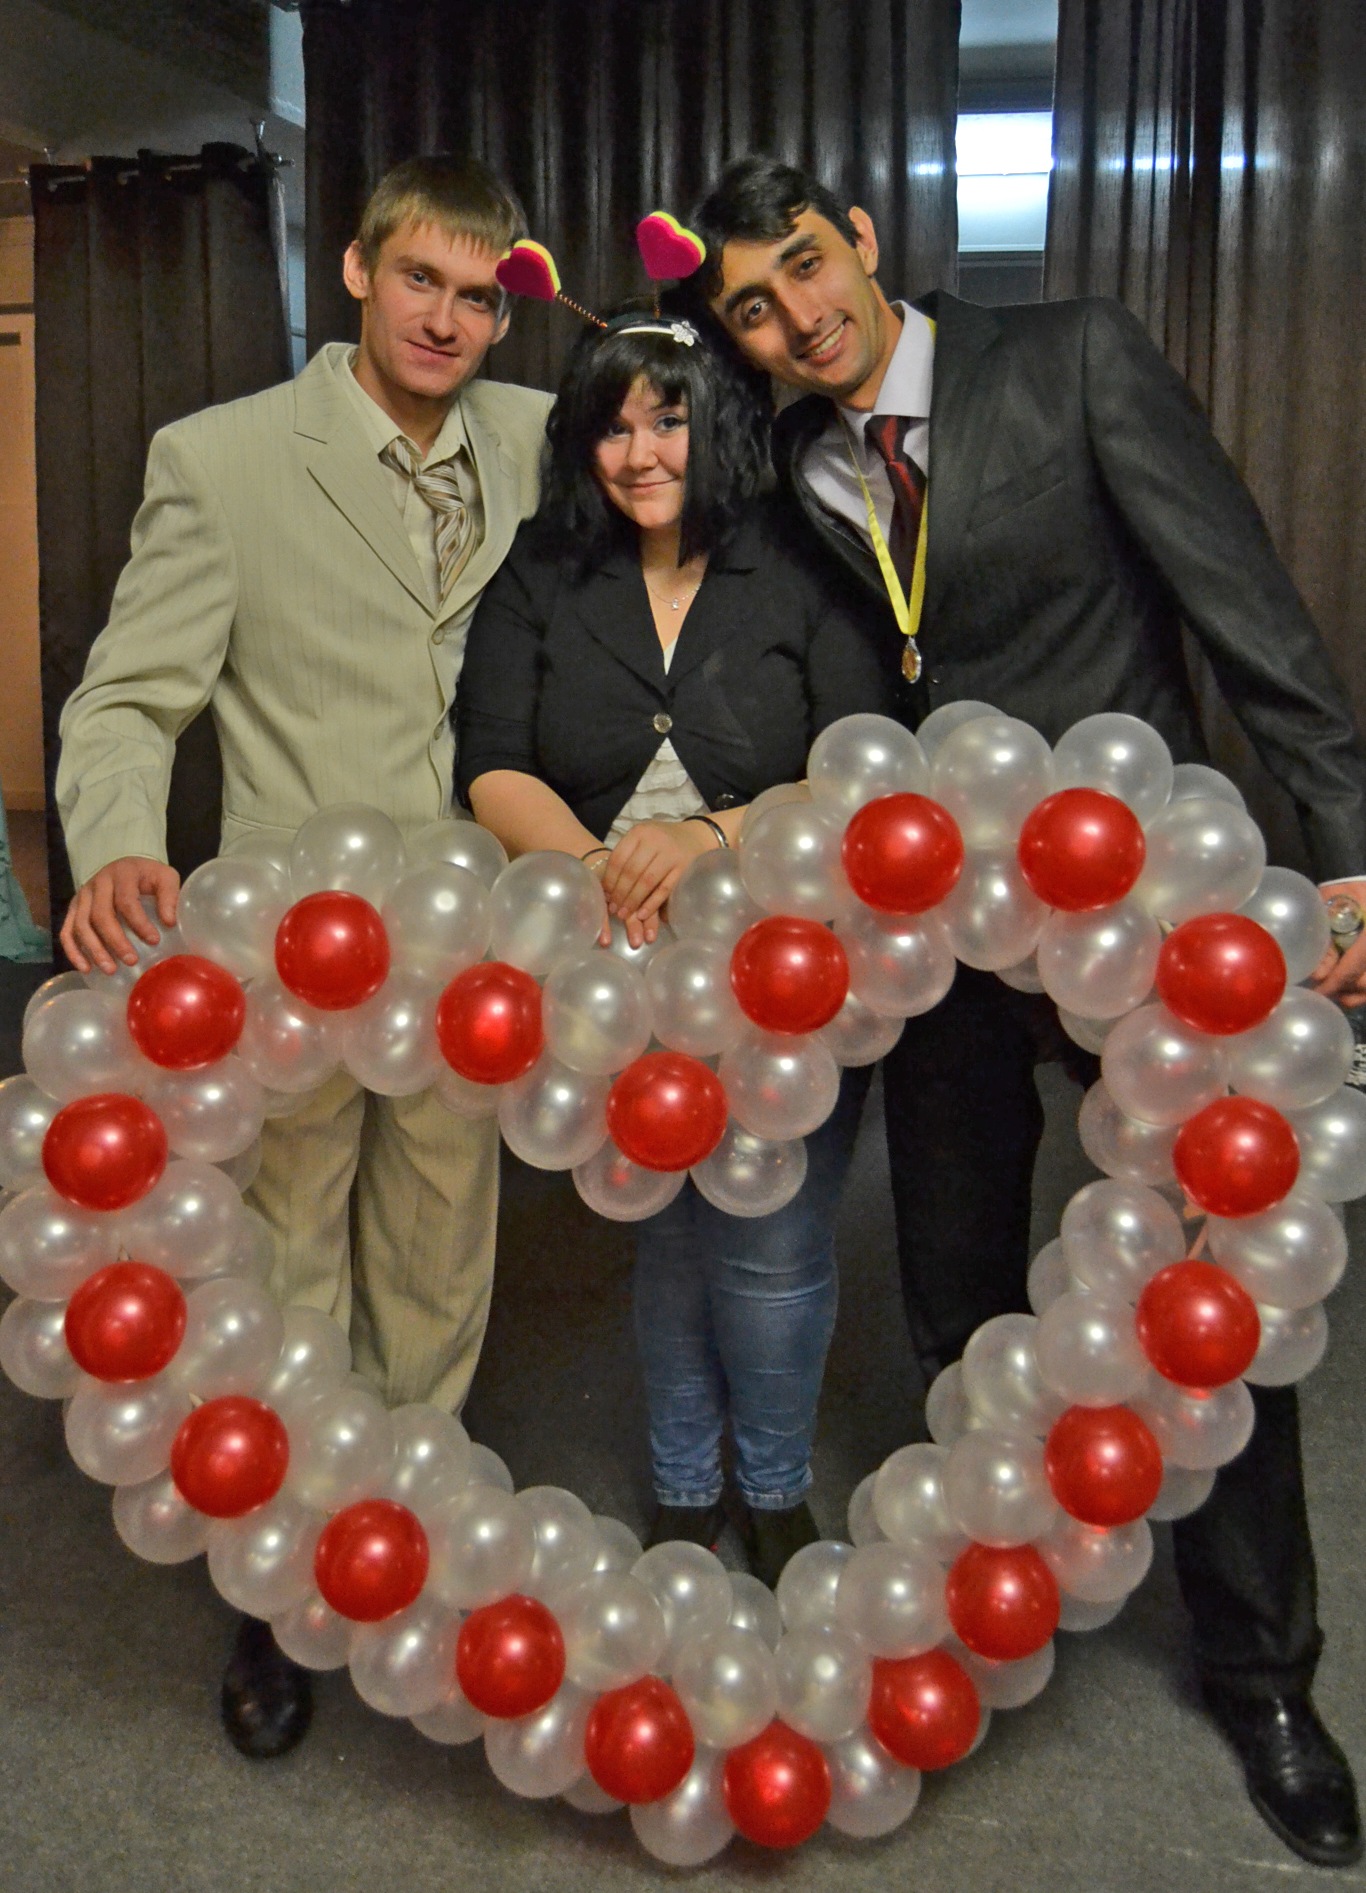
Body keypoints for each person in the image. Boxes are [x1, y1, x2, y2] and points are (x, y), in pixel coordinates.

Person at [685, 154, 1365, 1868]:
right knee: (958, 1281)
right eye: (754, 306)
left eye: (807, 267)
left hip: (1140, 916)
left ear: (863, 240)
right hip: (944, 936)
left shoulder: (1069, 357)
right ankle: (989, 1608)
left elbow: (1242, 602)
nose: (799, 317)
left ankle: (1265, 1677)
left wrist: (1347, 846)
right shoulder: (797, 472)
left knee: (1207, 1295)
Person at [56, 155, 553, 1761]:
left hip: (474, 949)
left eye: (477, 296)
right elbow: (127, 698)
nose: (446, 319)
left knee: (439, 1253)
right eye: (419, 280)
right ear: (356, 270)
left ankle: (397, 1540)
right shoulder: (220, 460)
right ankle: (278, 1590)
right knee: (286, 1263)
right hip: (296, 957)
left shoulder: (550, 439)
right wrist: (118, 841)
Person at [456, 307, 899, 1582]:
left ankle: (773, 1486)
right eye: (612, 427)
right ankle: (683, 1485)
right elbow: (491, 758)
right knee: (665, 1231)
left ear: (719, 427)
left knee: (771, 1240)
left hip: (785, 955)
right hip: (613, 958)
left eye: (669, 420)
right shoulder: (545, 565)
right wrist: (591, 872)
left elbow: (861, 766)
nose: (640, 452)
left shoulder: (803, 559)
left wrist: (712, 835)